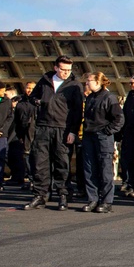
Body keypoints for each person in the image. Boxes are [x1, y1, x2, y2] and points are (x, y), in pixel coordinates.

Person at [24, 56, 84, 211]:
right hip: (43, 127)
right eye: (63, 70)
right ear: (56, 68)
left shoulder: (74, 85)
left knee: (62, 163)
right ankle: (40, 195)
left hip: (63, 128)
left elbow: (77, 111)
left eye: (69, 70)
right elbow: (32, 98)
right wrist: (37, 102)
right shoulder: (44, 81)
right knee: (40, 163)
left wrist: (73, 131)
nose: (66, 73)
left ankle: (63, 194)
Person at [80, 72, 124, 213]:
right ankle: (92, 199)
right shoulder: (90, 98)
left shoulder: (109, 98)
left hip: (103, 136)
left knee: (105, 169)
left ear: (98, 82)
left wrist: (107, 131)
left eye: (89, 81)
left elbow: (119, 119)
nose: (87, 83)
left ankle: (106, 201)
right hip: (89, 136)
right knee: (89, 168)